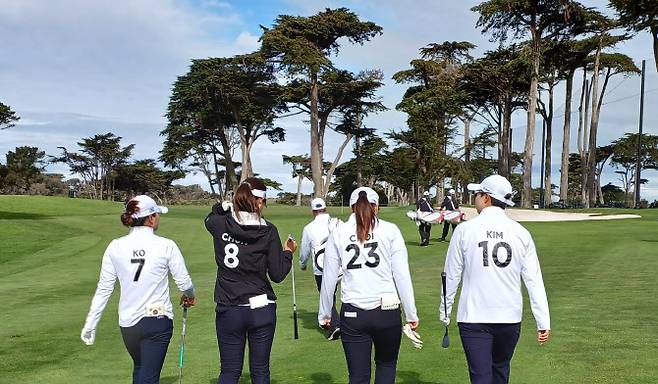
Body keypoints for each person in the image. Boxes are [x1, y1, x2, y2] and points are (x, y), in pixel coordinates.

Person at [439, 175, 550, 384]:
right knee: (500, 371)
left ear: (487, 198)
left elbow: (450, 276)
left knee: (480, 376)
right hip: (509, 317)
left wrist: (445, 312)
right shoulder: (521, 233)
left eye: (477, 194)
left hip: (473, 316)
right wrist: (542, 320)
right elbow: (534, 280)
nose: (475, 198)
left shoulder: (464, 230)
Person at [81, 195, 196, 384]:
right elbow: (184, 284)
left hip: (128, 324)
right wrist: (189, 296)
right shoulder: (166, 245)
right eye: (157, 214)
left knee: (141, 370)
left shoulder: (115, 246)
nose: (158, 217)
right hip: (157, 321)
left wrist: (90, 324)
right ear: (151, 218)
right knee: (149, 377)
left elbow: (104, 289)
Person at [319, 186, 419, 384]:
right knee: (386, 366)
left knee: (357, 377)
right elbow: (402, 276)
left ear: (351, 208)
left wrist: (324, 314)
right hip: (387, 312)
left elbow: (329, 279)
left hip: (353, 314)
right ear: (377, 207)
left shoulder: (338, 233)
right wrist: (411, 314)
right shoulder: (390, 230)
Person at [205, 177, 296, 384]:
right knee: (260, 371)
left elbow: (209, 219)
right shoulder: (268, 230)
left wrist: (221, 207)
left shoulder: (220, 223)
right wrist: (288, 253)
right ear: (260, 202)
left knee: (229, 371)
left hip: (229, 307)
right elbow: (278, 274)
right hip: (261, 308)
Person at [299, 197, 342, 340]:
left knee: (328, 296)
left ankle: (335, 326)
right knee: (339, 295)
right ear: (325, 209)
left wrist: (303, 264)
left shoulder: (308, 228)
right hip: (341, 267)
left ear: (313, 211)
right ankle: (341, 323)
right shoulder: (338, 223)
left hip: (320, 268)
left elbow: (304, 250)